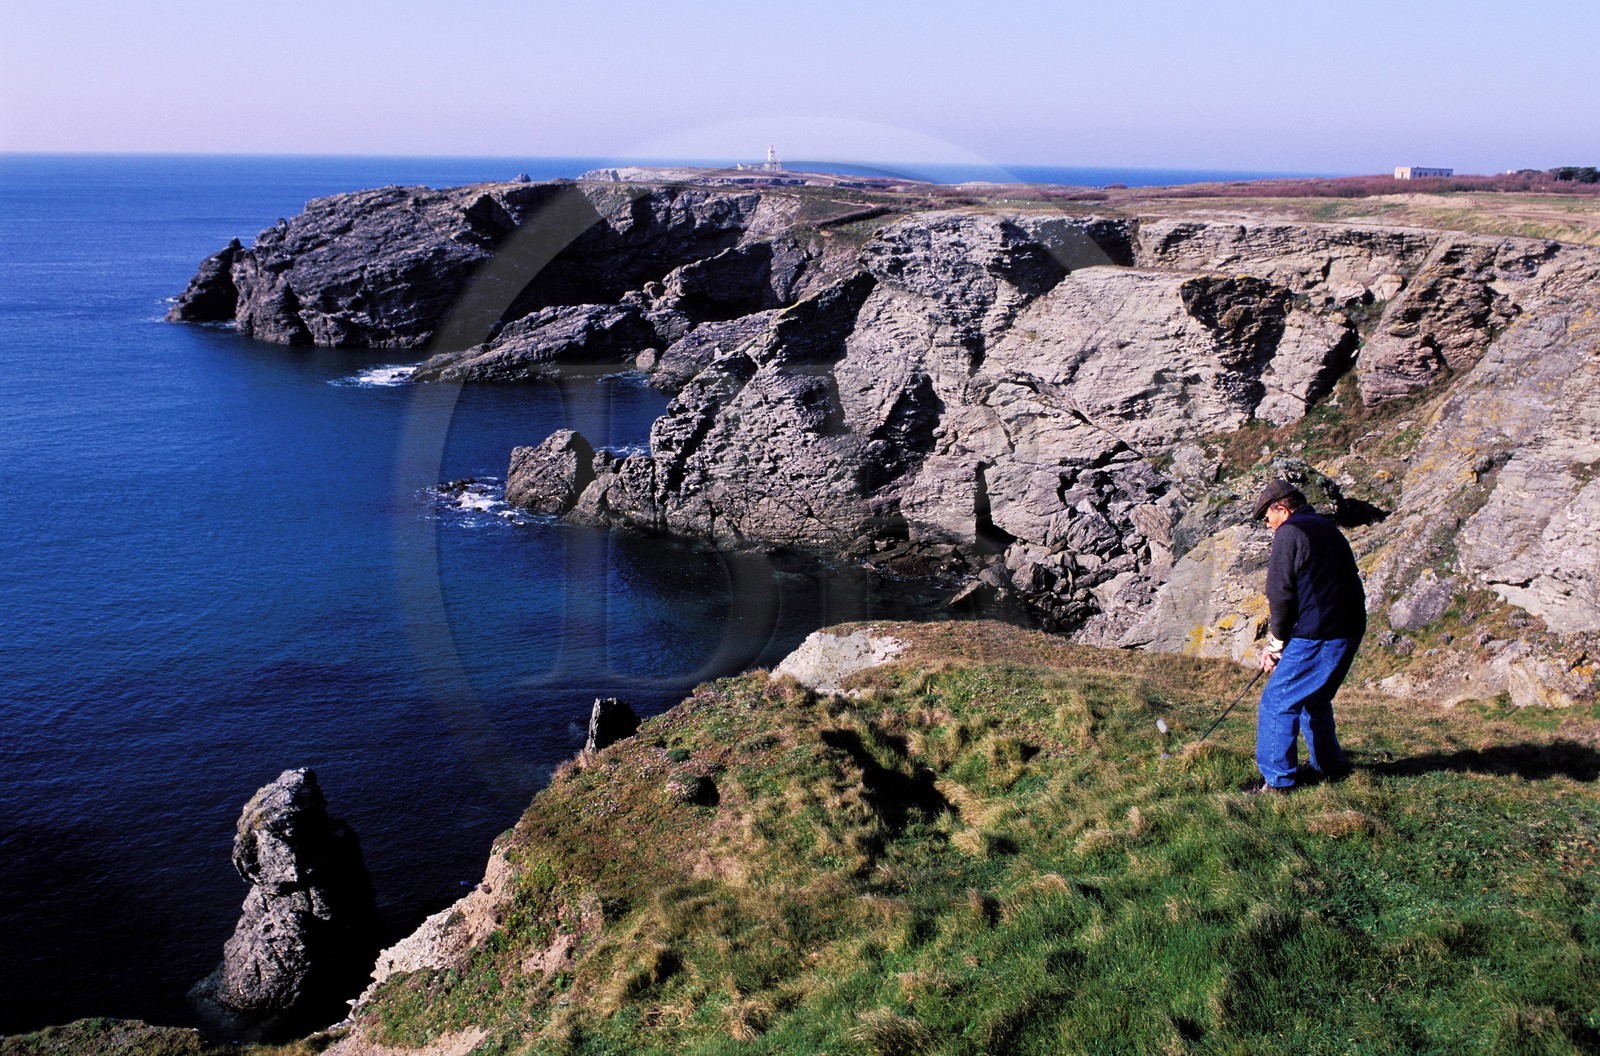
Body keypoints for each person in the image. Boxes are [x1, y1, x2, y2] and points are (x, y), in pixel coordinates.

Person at [1247, 478, 1366, 794]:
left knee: (1277, 701)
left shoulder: (1289, 533)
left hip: (1321, 632)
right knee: (1313, 698)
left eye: (1267, 517)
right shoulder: (1327, 528)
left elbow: (1280, 593)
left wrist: (1277, 642)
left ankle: (1277, 782)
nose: (1268, 525)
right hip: (1348, 628)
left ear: (1281, 509)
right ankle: (1330, 768)